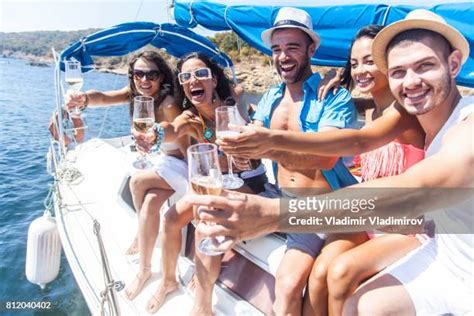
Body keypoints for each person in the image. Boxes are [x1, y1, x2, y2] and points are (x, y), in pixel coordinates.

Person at [191, 9, 473, 315]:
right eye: (399, 72)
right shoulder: (410, 114)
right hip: (444, 253)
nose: (411, 81)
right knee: (358, 305)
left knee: (338, 277)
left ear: (454, 63)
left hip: (440, 250)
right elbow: (359, 141)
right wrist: (269, 142)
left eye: (425, 66)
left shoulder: (467, 125)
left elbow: (419, 186)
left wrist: (277, 213)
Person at [136, 52, 268, 315]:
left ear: (213, 78)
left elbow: (244, 98)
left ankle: (203, 306)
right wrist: (155, 135)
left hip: (250, 183)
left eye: (201, 74)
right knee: (172, 218)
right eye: (186, 77)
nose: (193, 80)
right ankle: (168, 280)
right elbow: (170, 128)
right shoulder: (190, 118)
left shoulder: (235, 103)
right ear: (183, 86)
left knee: (204, 225)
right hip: (219, 185)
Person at [249, 7, 357, 315]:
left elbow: (324, 159)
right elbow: (252, 138)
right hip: (279, 195)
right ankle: (202, 301)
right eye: (277, 49)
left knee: (286, 285)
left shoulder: (333, 97)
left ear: (312, 49)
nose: (283, 56)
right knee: (209, 216)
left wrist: (263, 145)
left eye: (292, 47)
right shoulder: (270, 96)